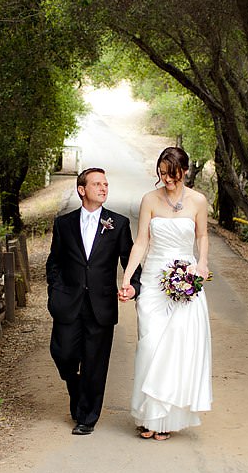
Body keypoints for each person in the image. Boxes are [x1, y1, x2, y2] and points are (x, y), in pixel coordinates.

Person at [118, 146, 213, 441]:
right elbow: (142, 242)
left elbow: (202, 236)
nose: (166, 181)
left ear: (183, 172)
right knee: (150, 345)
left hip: (185, 278)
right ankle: (147, 415)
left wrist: (202, 263)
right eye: (161, 174)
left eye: (171, 175)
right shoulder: (150, 199)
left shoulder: (198, 200)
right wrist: (127, 276)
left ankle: (165, 420)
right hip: (154, 279)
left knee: (176, 349)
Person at [46, 167, 139, 435]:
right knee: (63, 354)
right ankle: (76, 391)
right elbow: (55, 262)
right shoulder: (63, 224)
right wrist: (56, 291)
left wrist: (132, 285)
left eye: (106, 184)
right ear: (81, 190)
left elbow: (129, 260)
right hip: (68, 303)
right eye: (97, 184)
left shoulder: (118, 224)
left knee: (95, 364)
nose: (103, 188)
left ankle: (87, 417)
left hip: (101, 306)